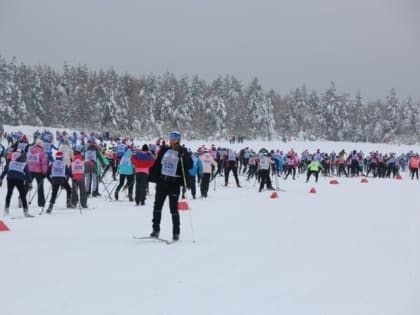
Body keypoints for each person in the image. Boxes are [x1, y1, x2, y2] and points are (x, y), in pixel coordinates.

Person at [148, 131, 193, 241]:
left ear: (179, 139)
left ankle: (176, 233)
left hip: (174, 183)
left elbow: (189, 165)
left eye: (175, 138)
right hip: (162, 181)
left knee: (173, 209)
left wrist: (184, 156)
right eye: (171, 137)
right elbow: (157, 163)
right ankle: (155, 230)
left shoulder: (182, 150)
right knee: (157, 207)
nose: (173, 139)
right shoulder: (165, 149)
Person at [0, 149, 33, 217]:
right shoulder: (24, 163)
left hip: (10, 178)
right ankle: (25, 212)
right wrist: (29, 182)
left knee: (9, 193)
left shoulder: (11, 162)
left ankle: (6, 211)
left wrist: (1, 178)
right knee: (23, 195)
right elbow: (28, 173)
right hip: (19, 179)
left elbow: (5, 171)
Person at [26, 139, 49, 208]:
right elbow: (44, 163)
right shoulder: (42, 152)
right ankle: (41, 203)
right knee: (40, 187)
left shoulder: (30, 151)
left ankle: (21, 198)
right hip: (39, 172)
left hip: (30, 171)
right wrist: (45, 172)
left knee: (27, 185)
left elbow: (27, 160)